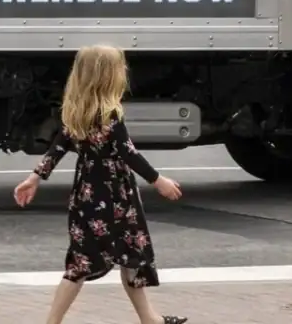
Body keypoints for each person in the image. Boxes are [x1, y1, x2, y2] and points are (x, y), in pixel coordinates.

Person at [14, 45, 186, 324]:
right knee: (125, 255)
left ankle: (149, 320)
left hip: (86, 195)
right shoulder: (110, 114)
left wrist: (34, 178)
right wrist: (159, 181)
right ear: (109, 76)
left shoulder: (75, 111)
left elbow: (58, 147)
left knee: (90, 261)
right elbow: (128, 153)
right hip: (117, 196)